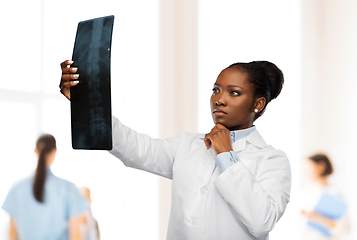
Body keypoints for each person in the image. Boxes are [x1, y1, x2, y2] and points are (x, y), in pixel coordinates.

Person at [60, 60, 291, 240]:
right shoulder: (188, 145)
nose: (219, 100)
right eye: (216, 90)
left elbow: (262, 221)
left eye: (234, 92)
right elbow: (137, 148)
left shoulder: (271, 159)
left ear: (258, 104)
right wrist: (85, 103)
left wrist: (226, 156)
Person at [2, 134, 89, 240]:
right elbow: (75, 234)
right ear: (55, 151)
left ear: (35, 151)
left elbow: (12, 233)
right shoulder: (68, 188)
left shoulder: (17, 188)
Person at [300, 153, 350, 240]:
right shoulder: (305, 191)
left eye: (308, 168)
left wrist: (315, 217)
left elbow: (345, 228)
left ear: (321, 166)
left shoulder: (334, 193)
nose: (305, 172)